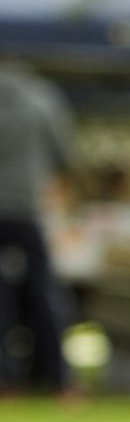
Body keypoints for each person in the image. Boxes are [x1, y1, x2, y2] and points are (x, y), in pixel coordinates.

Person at [0, 60, 77, 399]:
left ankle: (6, 380)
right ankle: (60, 382)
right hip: (27, 208)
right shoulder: (43, 98)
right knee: (44, 292)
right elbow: (64, 157)